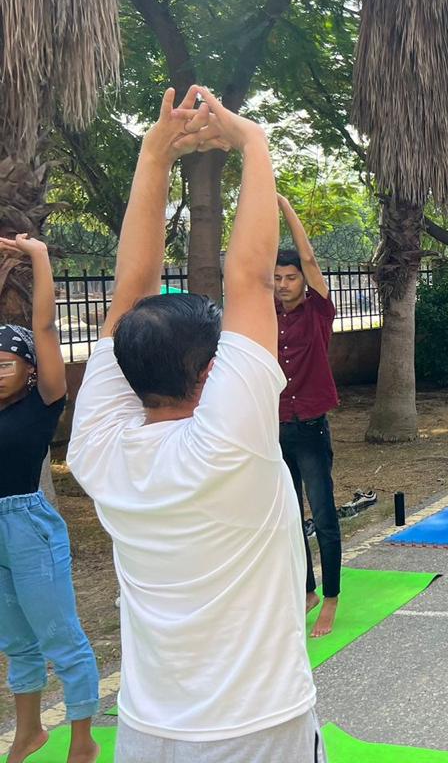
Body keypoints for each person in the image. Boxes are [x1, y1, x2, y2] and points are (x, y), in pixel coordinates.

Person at [68, 87, 322, 759]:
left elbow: (130, 292)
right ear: (210, 372)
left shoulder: (97, 450)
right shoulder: (229, 441)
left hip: (147, 730)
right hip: (258, 730)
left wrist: (155, 156)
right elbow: (251, 280)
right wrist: (253, 142)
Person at [0, 235, 99, 763]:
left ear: (30, 370)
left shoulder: (42, 403)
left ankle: (82, 739)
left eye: (6, 363)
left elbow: (43, 329)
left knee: (60, 635)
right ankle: (28, 733)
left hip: (28, 527)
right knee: (16, 641)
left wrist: (38, 257)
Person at [275, 195, 342, 639]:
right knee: (288, 516)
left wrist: (282, 206)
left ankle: (331, 598)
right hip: (276, 428)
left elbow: (312, 259)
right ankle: (308, 590)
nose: (283, 284)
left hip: (311, 428)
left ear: (303, 280)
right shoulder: (267, 315)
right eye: (277, 277)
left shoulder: (318, 312)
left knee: (323, 515)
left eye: (290, 277)